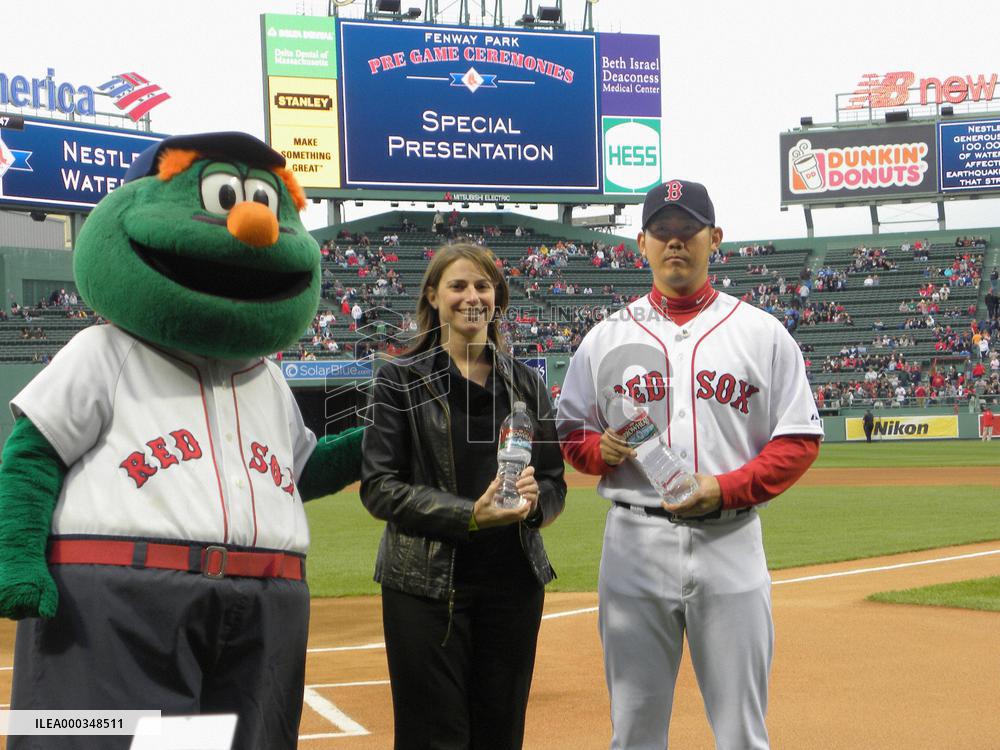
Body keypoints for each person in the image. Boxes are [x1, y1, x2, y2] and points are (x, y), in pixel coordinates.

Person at [555, 179, 822, 750]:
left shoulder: (762, 333)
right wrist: (593, 452)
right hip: (633, 543)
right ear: (642, 243)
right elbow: (571, 432)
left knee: (742, 733)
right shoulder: (606, 337)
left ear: (714, 238)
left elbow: (797, 439)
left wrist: (724, 489)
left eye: (687, 231)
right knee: (634, 730)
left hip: (731, 539)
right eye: (662, 233)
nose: (675, 243)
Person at [360, 243, 566, 750]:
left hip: (513, 585)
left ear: (497, 297)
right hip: (425, 587)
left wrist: (537, 502)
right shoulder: (398, 380)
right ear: (433, 295)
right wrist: (468, 515)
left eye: (482, 285)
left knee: (500, 734)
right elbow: (379, 487)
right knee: (434, 736)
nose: (471, 296)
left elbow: (555, 480)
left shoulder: (527, 384)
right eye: (458, 285)